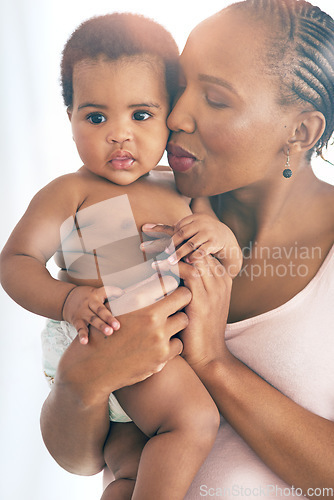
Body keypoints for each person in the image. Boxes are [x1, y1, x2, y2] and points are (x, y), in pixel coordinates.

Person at [10, 0, 334, 497]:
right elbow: (79, 457)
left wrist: (214, 364)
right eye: (180, 88)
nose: (177, 116)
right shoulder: (124, 214)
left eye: (216, 99)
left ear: (300, 131)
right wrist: (80, 380)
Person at [0, 12, 245, 500]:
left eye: (140, 114)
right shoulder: (70, 193)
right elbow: (15, 262)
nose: (119, 134)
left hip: (153, 351)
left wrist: (221, 238)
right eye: (96, 117)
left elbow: (227, 263)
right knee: (193, 422)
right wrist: (68, 300)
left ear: (170, 114)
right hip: (102, 340)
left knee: (129, 466)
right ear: (68, 118)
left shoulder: (182, 190)